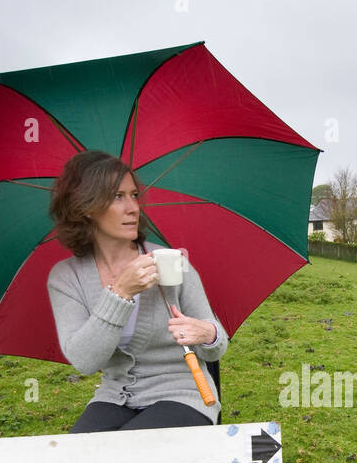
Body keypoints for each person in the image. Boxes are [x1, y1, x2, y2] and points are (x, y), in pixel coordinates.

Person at [45, 150, 228, 433]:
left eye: (133, 195)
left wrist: (207, 334)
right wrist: (120, 293)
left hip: (183, 393)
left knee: (130, 451)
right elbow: (85, 361)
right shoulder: (66, 277)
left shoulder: (171, 262)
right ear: (85, 207)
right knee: (77, 457)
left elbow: (217, 345)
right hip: (115, 397)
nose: (133, 208)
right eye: (118, 196)